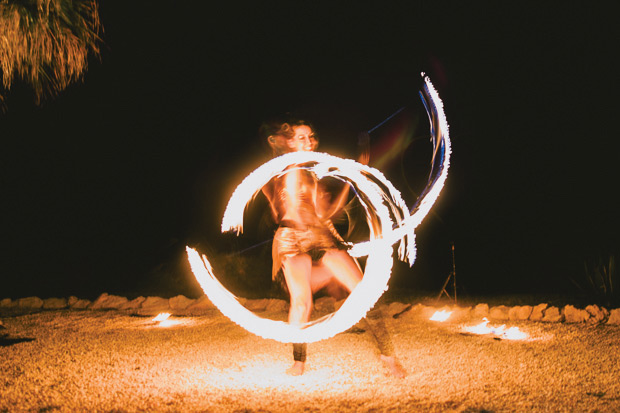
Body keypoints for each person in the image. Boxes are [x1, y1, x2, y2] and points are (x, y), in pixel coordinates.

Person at [260, 119, 406, 378]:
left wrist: (356, 173)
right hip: (291, 238)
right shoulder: (279, 170)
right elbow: (274, 200)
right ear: (290, 142)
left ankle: (388, 357)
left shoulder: (314, 173)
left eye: (310, 137)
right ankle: (298, 362)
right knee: (302, 301)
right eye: (302, 137)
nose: (309, 141)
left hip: (320, 235)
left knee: (364, 292)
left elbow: (328, 211)